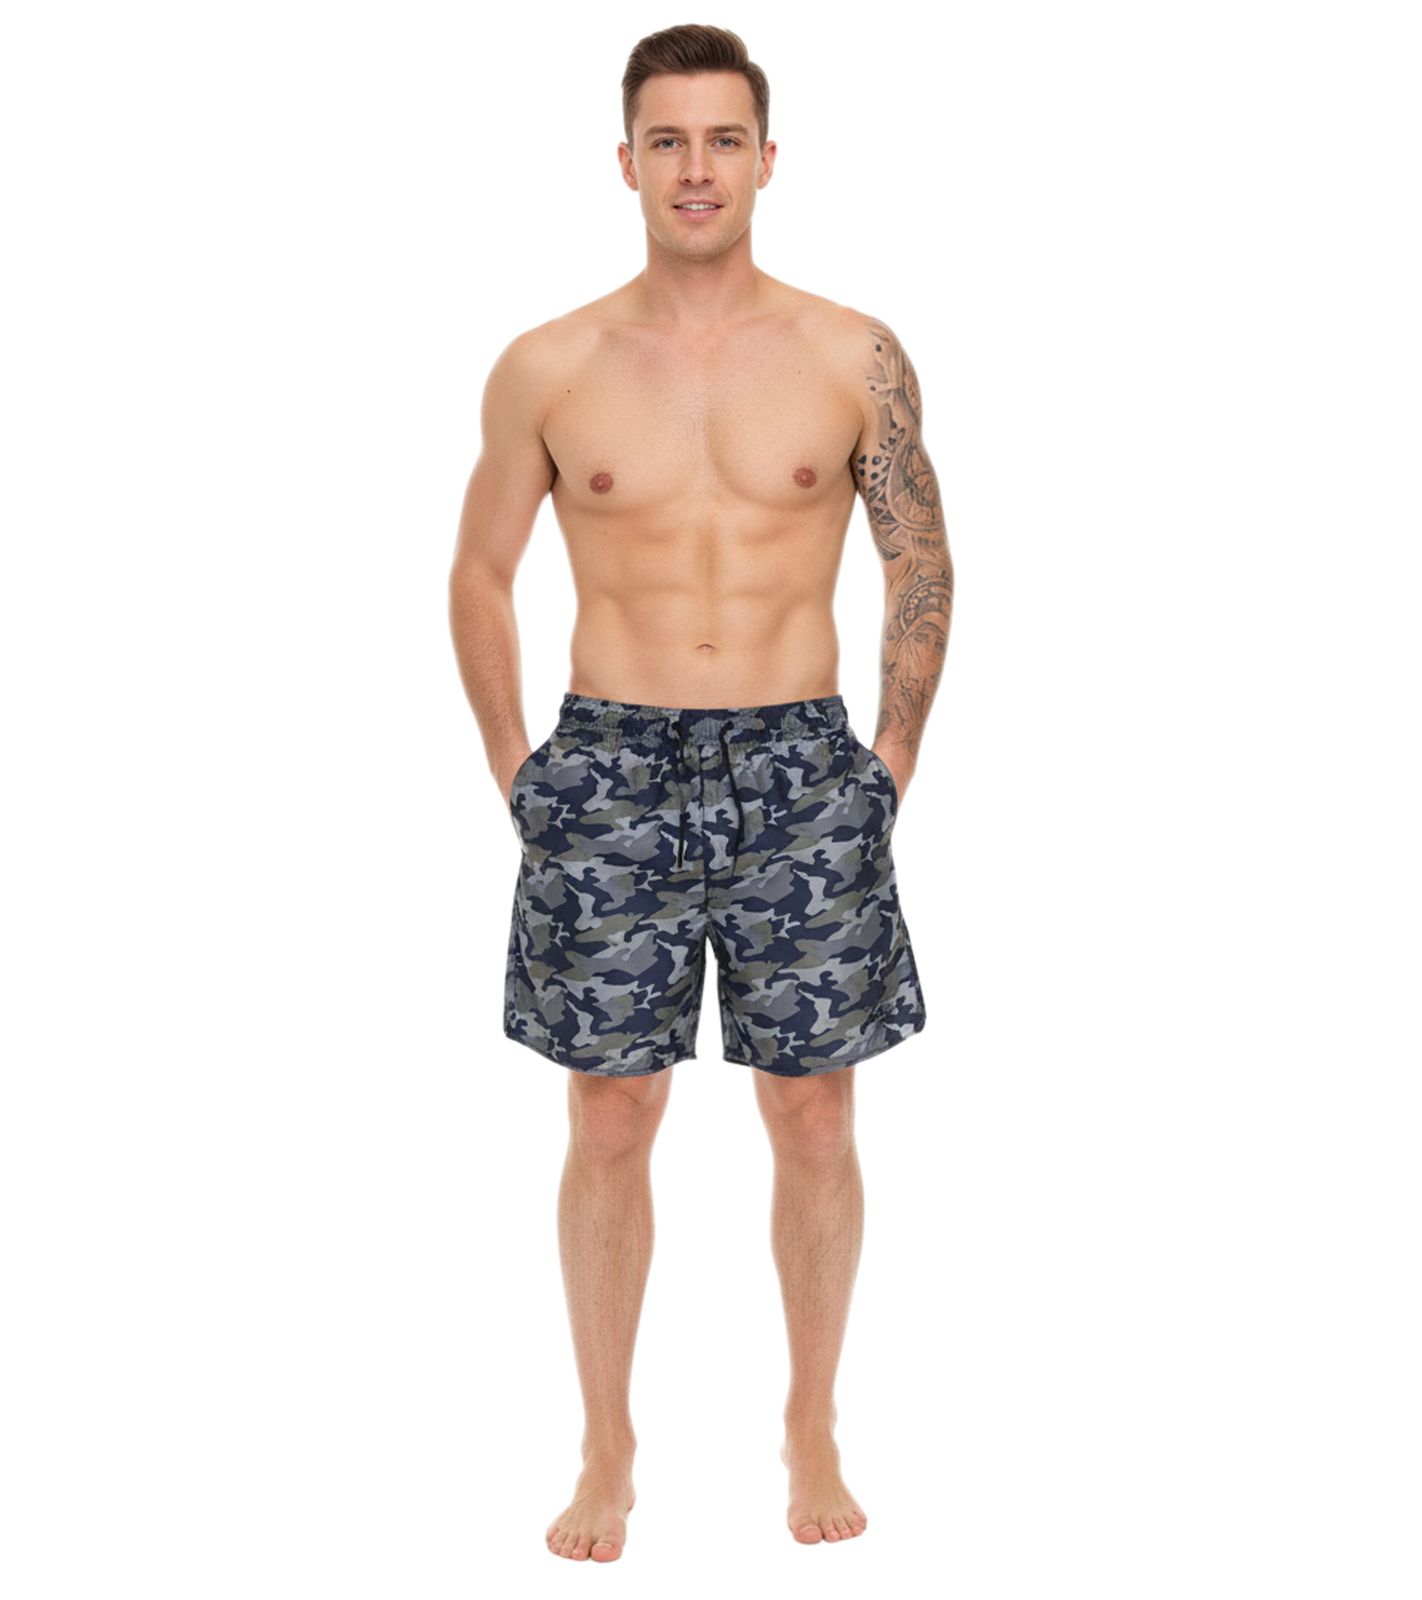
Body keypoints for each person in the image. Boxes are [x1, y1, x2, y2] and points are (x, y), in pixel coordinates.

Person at [448, 23, 953, 1563]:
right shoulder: (550, 363)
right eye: (665, 140)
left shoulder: (851, 353)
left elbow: (918, 558)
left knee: (814, 1111)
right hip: (610, 763)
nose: (694, 168)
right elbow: (479, 570)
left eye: (722, 138)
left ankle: (812, 1418)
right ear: (625, 161)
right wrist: (519, 769)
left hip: (801, 759)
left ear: (766, 158)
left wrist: (887, 761)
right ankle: (606, 1445)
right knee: (610, 1112)